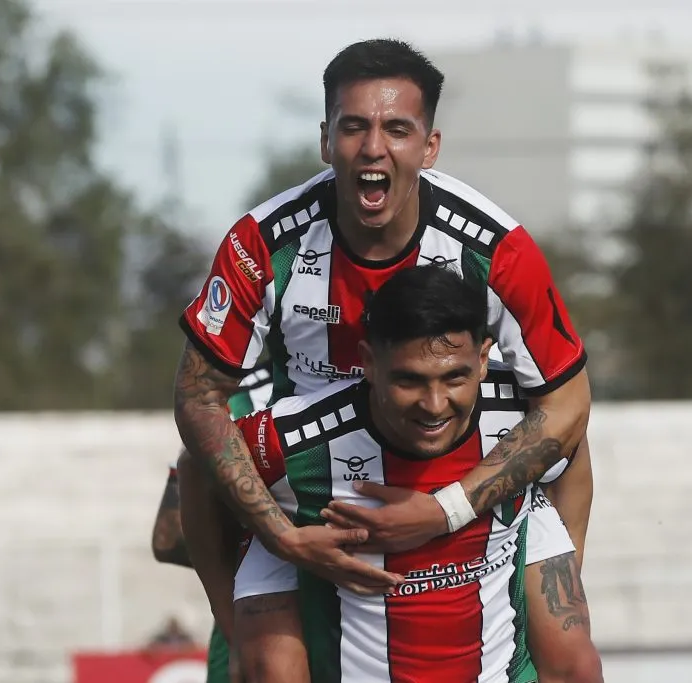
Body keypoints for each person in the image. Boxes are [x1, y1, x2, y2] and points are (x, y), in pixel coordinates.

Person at [173, 38, 595, 680]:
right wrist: (281, 536)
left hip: (465, 467)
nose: (374, 147)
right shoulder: (262, 244)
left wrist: (449, 510)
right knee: (266, 664)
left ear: (430, 146)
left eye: (397, 129)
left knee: (572, 658)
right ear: (326, 141)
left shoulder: (497, 248)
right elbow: (198, 398)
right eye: (354, 127)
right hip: (315, 474)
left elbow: (567, 406)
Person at [222, 266, 601, 681]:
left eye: (454, 377)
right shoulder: (295, 440)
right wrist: (277, 541)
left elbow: (570, 442)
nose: (434, 405)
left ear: (482, 359)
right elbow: (200, 471)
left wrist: (569, 552)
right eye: (409, 381)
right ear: (369, 363)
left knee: (577, 662)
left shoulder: (521, 411)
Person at [151, 362, 273, 683]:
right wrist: (282, 542)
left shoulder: (231, 394)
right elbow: (168, 536)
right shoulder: (374, 390)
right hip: (339, 619)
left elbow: (168, 537)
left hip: (247, 619)